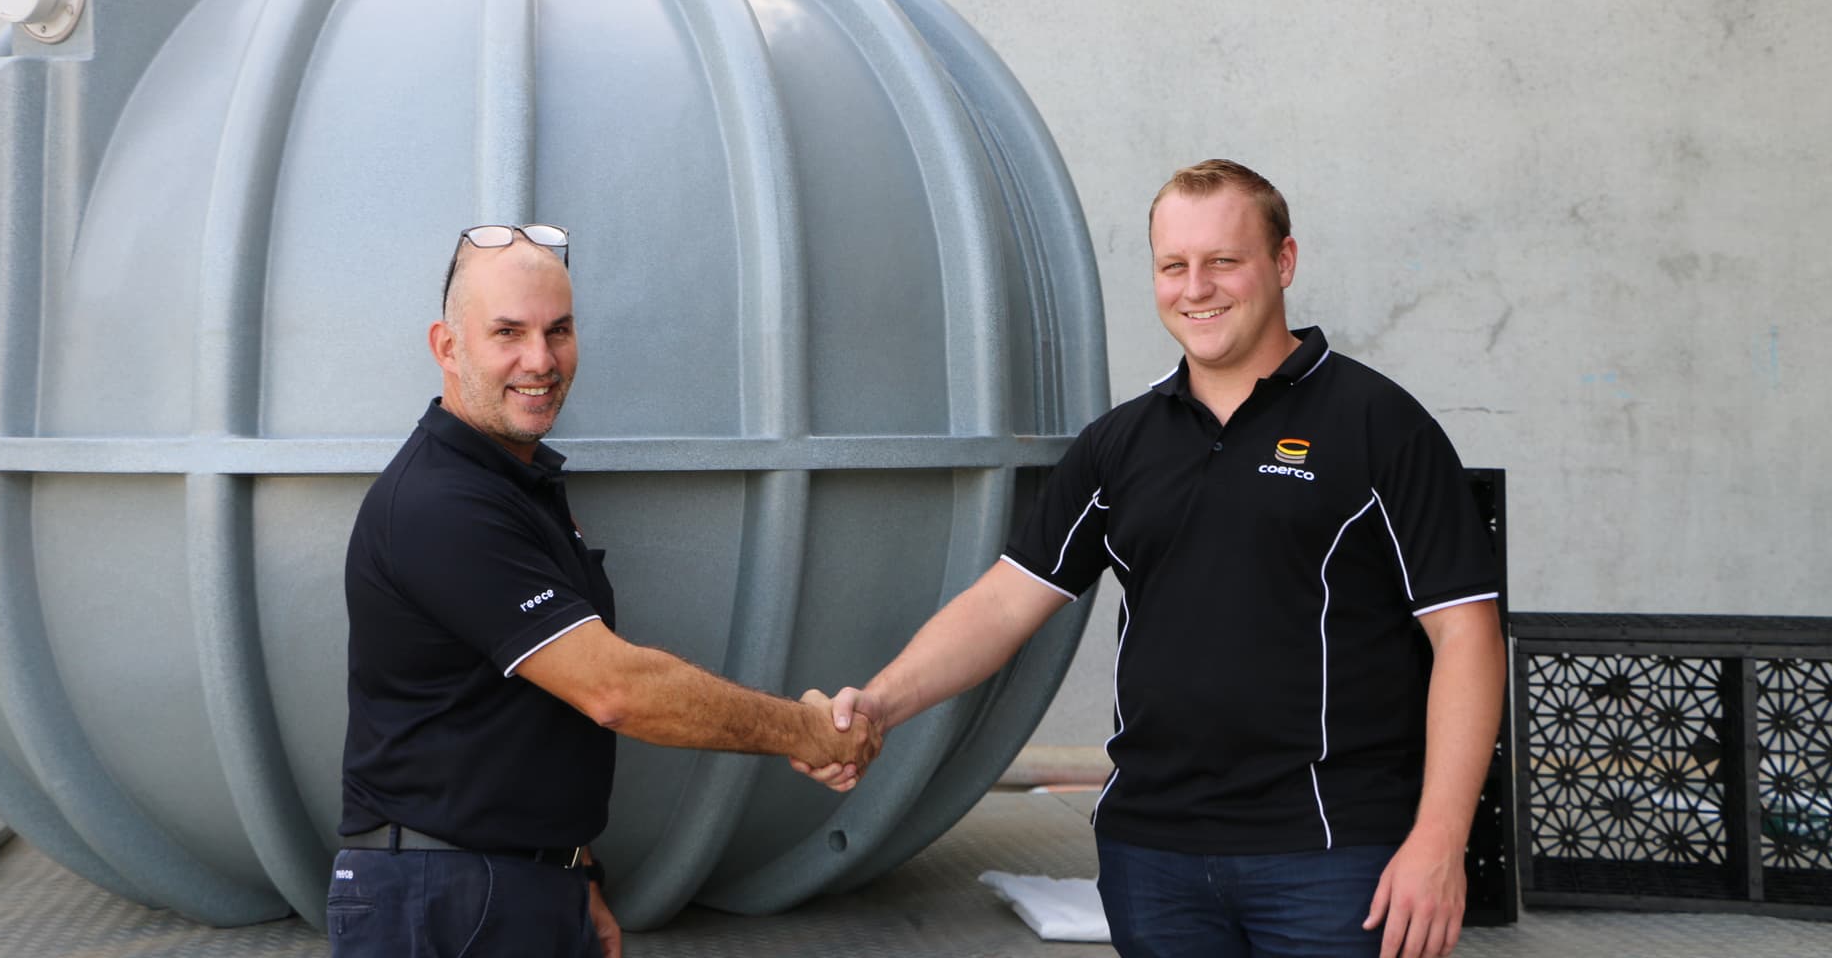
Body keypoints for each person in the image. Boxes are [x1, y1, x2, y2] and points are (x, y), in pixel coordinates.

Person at [800, 162, 1505, 958]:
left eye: (1224, 261)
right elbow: (1005, 603)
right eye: (1174, 265)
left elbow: (1467, 638)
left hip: (1331, 855)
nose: (1195, 287)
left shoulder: (1380, 426)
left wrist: (1440, 842)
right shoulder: (1120, 444)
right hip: (1153, 856)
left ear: (1283, 262)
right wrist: (881, 705)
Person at [332, 223, 880, 957]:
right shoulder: (441, 505)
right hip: (443, 899)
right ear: (447, 347)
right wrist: (806, 732)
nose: (541, 360)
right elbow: (616, 689)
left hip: (512, 883)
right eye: (508, 333)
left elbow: (522, 717)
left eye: (559, 330)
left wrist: (573, 871)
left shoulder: (515, 485)